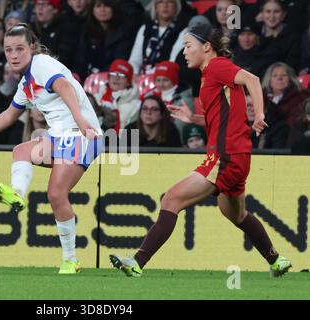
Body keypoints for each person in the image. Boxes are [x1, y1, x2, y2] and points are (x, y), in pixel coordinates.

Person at [109, 25, 292, 277]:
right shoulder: (210, 75)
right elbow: (220, 117)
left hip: (225, 155)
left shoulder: (217, 66)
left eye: (188, 45)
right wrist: (193, 118)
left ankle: (137, 262)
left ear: (206, 46)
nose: (184, 52)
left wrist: (259, 113)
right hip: (237, 155)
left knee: (171, 199)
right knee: (236, 214)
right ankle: (276, 260)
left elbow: (253, 79)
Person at [0, 23, 103, 274]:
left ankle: (70, 260)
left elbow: (65, 87)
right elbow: (10, 115)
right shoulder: (27, 82)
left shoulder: (42, 64)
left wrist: (79, 119)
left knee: (56, 194)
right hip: (60, 137)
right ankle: (17, 195)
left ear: (32, 48)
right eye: (8, 50)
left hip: (82, 135)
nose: (13, 55)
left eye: (19, 49)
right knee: (21, 151)